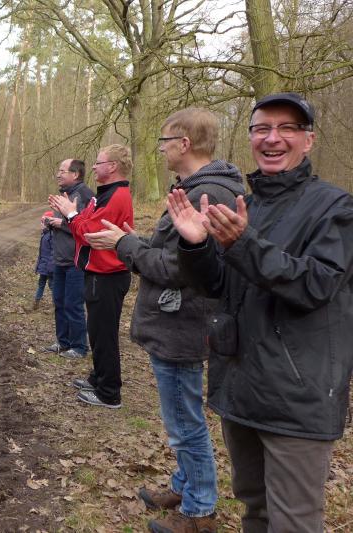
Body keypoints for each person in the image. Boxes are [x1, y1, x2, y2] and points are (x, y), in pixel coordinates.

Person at [168, 93, 353, 532]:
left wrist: (243, 244)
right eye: (262, 129)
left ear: (308, 140)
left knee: (292, 522)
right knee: (255, 509)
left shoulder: (336, 207)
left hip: (296, 397)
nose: (273, 138)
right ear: (250, 138)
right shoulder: (247, 205)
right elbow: (218, 286)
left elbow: (316, 284)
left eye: (287, 128)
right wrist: (195, 246)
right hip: (241, 388)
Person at [85, 109, 244, 533]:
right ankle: (184, 485)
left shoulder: (207, 194)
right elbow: (170, 252)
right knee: (180, 417)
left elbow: (178, 269)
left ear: (184, 143)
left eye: (164, 141)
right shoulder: (195, 188)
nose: (160, 149)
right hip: (178, 323)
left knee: (185, 423)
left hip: (183, 326)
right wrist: (129, 242)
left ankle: (199, 510)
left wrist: (124, 243)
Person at [49, 144, 134, 408]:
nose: (94, 167)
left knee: (105, 335)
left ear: (113, 166)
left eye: (99, 163)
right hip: (97, 272)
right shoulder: (104, 194)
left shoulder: (117, 196)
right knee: (97, 333)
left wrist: (71, 214)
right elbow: (82, 225)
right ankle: (99, 378)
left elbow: (89, 234)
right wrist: (73, 216)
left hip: (108, 274)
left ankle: (109, 392)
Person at [42, 159, 94, 359]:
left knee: (73, 304)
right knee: (59, 302)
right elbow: (64, 223)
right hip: (60, 259)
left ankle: (79, 347)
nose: (58, 174)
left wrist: (61, 224)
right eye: (58, 170)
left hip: (76, 261)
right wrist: (49, 223)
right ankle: (62, 342)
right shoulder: (65, 195)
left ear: (75, 174)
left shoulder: (84, 195)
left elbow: (88, 228)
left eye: (62, 171)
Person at [33, 210, 55, 310]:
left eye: (42, 222)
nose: (41, 224)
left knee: (52, 286)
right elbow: (41, 253)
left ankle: (56, 304)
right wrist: (38, 266)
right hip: (43, 266)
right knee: (41, 283)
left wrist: (51, 267)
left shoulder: (52, 235)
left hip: (50, 268)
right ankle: (36, 302)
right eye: (41, 222)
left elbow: (53, 252)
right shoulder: (44, 234)